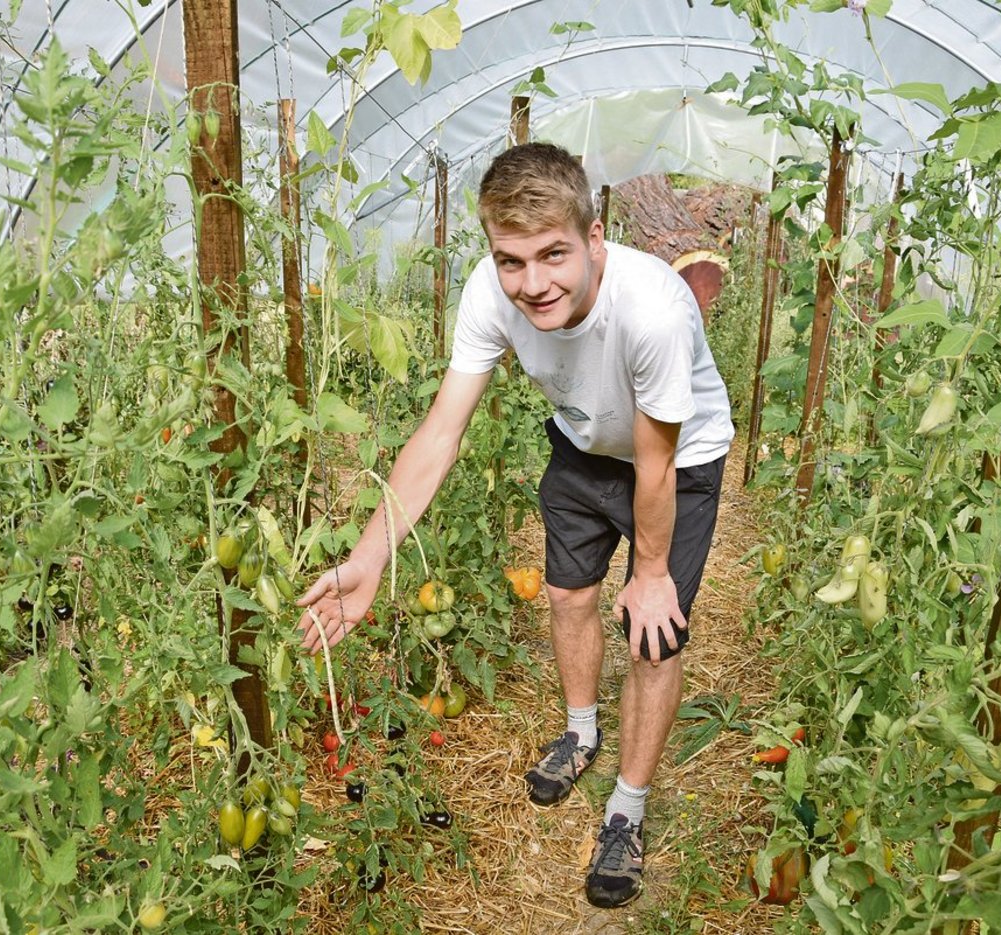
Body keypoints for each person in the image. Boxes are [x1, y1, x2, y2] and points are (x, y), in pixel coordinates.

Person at [295, 142, 733, 909]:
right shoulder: (489, 293)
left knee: (652, 634)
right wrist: (370, 557)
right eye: (511, 259)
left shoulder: (654, 310)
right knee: (567, 596)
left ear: (595, 240)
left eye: (554, 254)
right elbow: (440, 432)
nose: (532, 283)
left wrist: (653, 574)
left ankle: (626, 809)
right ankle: (581, 730)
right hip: (582, 439)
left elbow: (656, 465)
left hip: (676, 460)